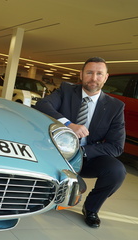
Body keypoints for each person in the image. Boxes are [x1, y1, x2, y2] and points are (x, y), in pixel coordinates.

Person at [35, 57, 126, 228]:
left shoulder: (115, 107)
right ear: (81, 74)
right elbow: (42, 104)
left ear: (106, 77)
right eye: (89, 73)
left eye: (99, 74)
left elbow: (116, 146)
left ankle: (91, 209)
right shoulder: (66, 90)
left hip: (88, 156)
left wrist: (83, 153)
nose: (94, 78)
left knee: (117, 171)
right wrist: (69, 125)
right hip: (56, 151)